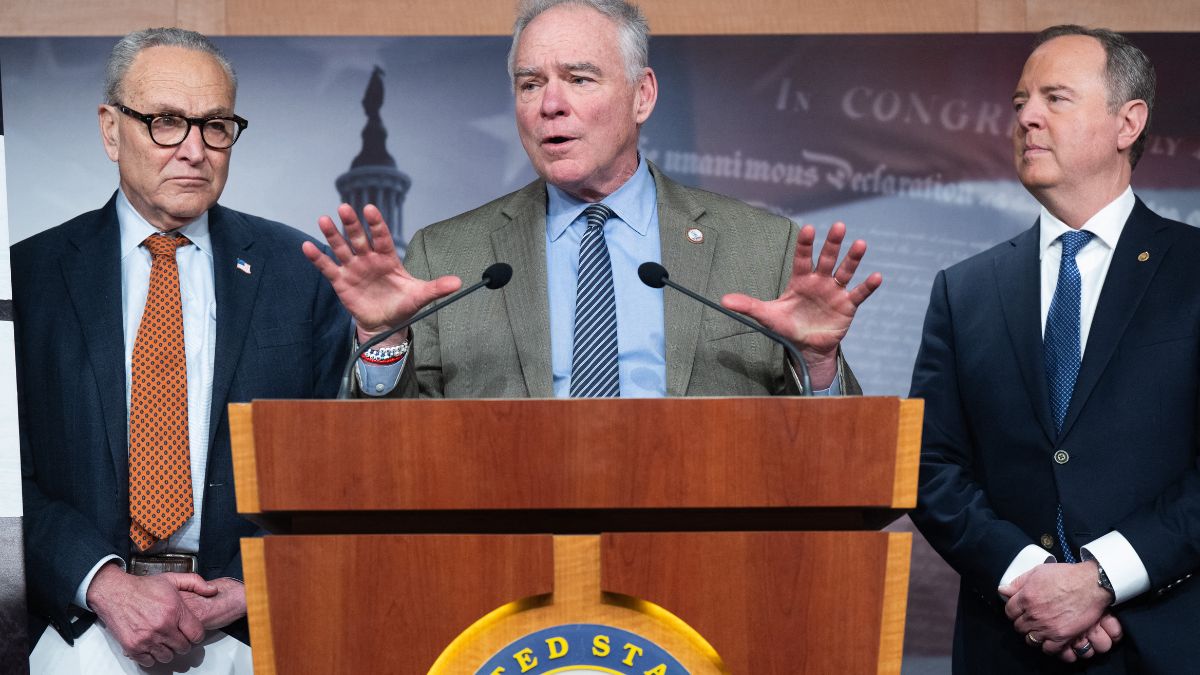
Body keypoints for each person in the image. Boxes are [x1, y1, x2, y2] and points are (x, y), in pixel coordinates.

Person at [305, 0, 882, 399]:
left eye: (580, 79)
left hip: (698, 550)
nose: (550, 105)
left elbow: (825, 454)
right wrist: (382, 345)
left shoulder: (759, 246)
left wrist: (817, 365)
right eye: (531, 84)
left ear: (642, 95)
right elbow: (391, 451)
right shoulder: (448, 255)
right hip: (510, 554)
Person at [13, 28, 358, 671]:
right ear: (111, 130)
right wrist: (103, 584)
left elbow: (342, 465)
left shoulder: (302, 272)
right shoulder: (25, 278)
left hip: (250, 630)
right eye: (167, 122)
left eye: (216, 125)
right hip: (79, 630)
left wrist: (256, 585)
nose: (195, 150)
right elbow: (8, 481)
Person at [910, 25, 1200, 673]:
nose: (1027, 117)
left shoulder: (1193, 270)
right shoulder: (967, 290)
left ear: (1128, 122)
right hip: (1010, 642)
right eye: (1019, 103)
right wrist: (1036, 581)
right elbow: (932, 468)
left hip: (1167, 641)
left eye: (1055, 98)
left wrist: (1101, 578)